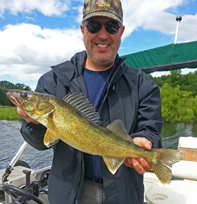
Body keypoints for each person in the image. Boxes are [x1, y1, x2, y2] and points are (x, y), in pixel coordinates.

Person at [18, 0, 163, 203]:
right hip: (70, 194)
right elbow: (39, 144)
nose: (102, 35)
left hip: (124, 193)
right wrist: (31, 123)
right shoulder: (53, 81)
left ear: (121, 31)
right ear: (82, 30)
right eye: (94, 25)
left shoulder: (143, 85)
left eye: (111, 27)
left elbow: (150, 130)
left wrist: (144, 144)